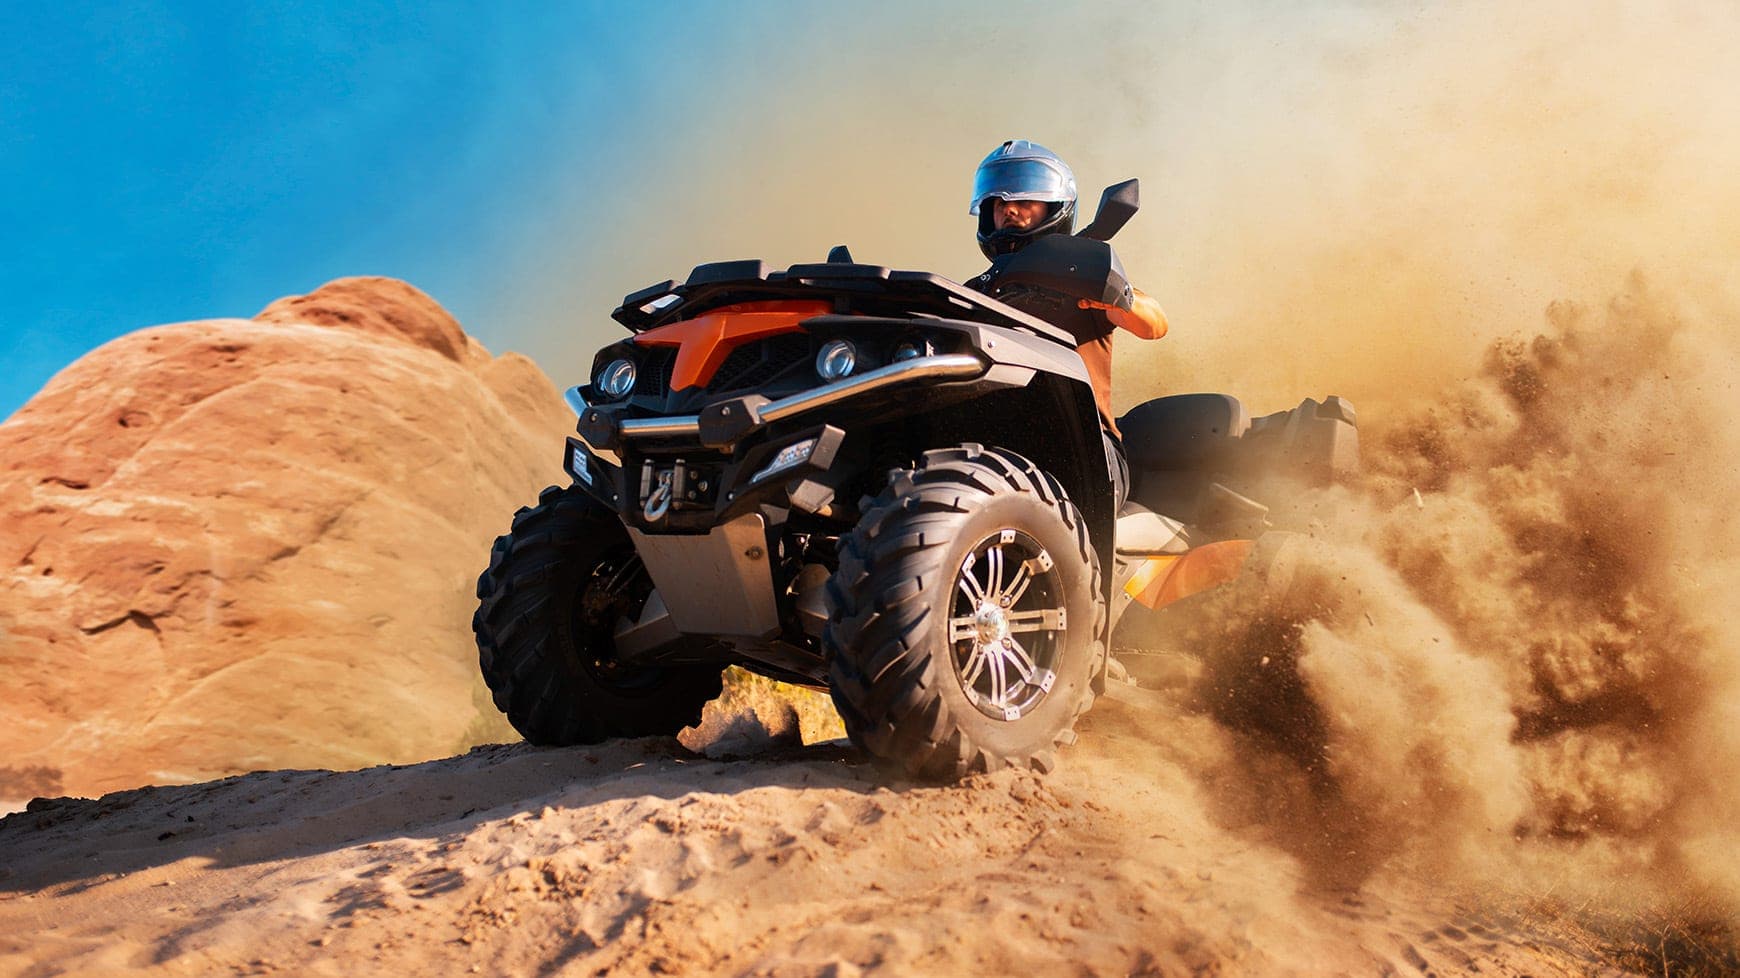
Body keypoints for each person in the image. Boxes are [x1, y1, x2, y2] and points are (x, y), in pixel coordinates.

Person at [965, 139, 1169, 513]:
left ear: (1054, 209)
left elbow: (1154, 324)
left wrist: (1114, 295)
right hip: (993, 448)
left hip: (1087, 451)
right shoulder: (975, 295)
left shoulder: (1081, 276)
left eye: (1024, 200)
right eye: (998, 203)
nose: (1009, 209)